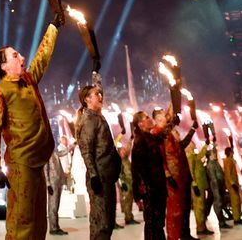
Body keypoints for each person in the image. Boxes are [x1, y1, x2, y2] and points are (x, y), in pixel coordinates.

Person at [0, 10, 63, 240]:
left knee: (39, 223)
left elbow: (42, 57)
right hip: (21, 165)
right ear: (3, 66)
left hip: (37, 162)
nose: (22, 58)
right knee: (22, 222)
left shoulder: (29, 81)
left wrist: (53, 27)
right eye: (15, 56)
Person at [75, 85, 121, 240]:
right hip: (99, 178)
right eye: (96, 94)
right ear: (87, 99)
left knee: (108, 220)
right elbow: (86, 150)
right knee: (101, 223)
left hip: (106, 176)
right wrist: (94, 175)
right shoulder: (88, 120)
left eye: (100, 93)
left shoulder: (97, 116)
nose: (100, 96)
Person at [158, 109, 195, 240]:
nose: (166, 118)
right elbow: (160, 158)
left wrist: (193, 129)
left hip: (182, 174)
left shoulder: (171, 134)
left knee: (183, 209)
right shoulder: (158, 135)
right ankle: (172, 237)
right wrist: (167, 175)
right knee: (174, 211)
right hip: (172, 178)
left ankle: (183, 234)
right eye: (162, 117)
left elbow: (181, 146)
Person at [131, 111, 167, 240]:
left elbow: (162, 134)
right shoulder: (140, 141)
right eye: (146, 118)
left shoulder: (150, 137)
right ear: (140, 124)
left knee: (158, 223)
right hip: (151, 189)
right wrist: (142, 190)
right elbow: (137, 168)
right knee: (153, 223)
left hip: (158, 186)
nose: (150, 119)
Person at [45, 143, 68, 236]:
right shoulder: (45, 155)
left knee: (56, 205)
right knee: (53, 206)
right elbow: (45, 169)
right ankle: (53, 228)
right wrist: (48, 183)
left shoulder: (53, 153)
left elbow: (63, 152)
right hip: (52, 182)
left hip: (58, 181)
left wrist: (73, 145)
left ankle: (56, 226)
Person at [221, 147, 242, 225]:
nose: (233, 153)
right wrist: (232, 183)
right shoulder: (228, 161)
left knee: (237, 200)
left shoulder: (230, 160)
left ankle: (238, 217)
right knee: (235, 201)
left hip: (233, 183)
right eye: (232, 152)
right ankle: (236, 218)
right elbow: (228, 173)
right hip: (232, 184)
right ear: (230, 152)